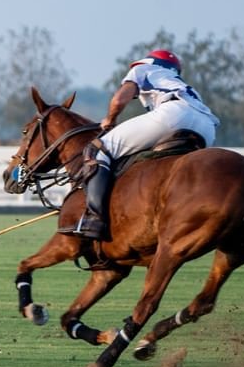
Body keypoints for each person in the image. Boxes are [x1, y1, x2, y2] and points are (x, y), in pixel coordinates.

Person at [73, 48, 219, 240]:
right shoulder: (181, 84)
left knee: (98, 149)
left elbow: (119, 100)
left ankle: (94, 220)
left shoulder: (142, 69)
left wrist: (109, 119)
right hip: (208, 127)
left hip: (174, 113)